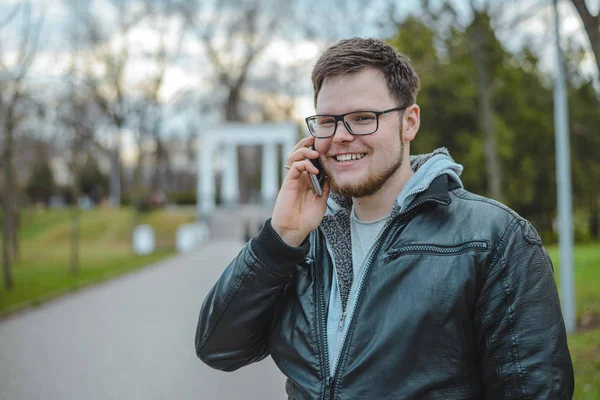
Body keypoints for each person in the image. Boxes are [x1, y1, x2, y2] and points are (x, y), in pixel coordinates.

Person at [195, 38, 574, 399]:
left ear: (409, 122)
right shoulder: (300, 242)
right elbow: (219, 348)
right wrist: (280, 238)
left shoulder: (494, 238)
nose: (341, 137)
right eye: (327, 122)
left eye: (363, 118)